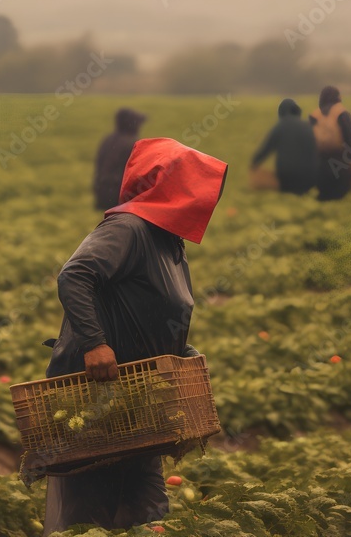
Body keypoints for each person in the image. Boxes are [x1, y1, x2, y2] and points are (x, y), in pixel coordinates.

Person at [43, 137, 228, 534]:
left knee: (148, 514)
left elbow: (162, 312)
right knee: (89, 514)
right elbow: (75, 276)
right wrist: (94, 343)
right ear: (168, 188)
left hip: (142, 399)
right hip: (97, 396)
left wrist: (184, 354)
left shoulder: (170, 244)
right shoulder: (129, 228)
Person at [251, 98, 317, 195]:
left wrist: (254, 164)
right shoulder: (308, 127)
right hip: (308, 180)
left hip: (286, 180)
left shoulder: (280, 127)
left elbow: (264, 151)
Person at [309, 86, 351, 201]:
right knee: (341, 200)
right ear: (338, 97)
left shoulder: (314, 115)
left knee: (323, 199)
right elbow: (350, 138)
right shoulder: (341, 112)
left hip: (320, 167)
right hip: (341, 163)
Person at [93, 108, 145, 210]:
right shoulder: (133, 143)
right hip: (121, 195)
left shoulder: (108, 140)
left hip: (104, 192)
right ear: (132, 124)